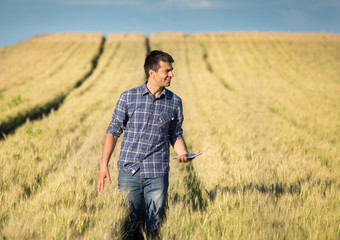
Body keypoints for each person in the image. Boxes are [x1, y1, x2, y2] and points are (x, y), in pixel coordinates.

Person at [97, 50, 200, 239]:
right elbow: (113, 132)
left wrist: (183, 153)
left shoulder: (175, 102)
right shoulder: (128, 97)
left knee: (155, 227)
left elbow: (175, 134)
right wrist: (103, 166)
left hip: (157, 174)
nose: (171, 74)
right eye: (167, 71)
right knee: (129, 226)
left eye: (172, 70)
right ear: (152, 73)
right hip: (129, 172)